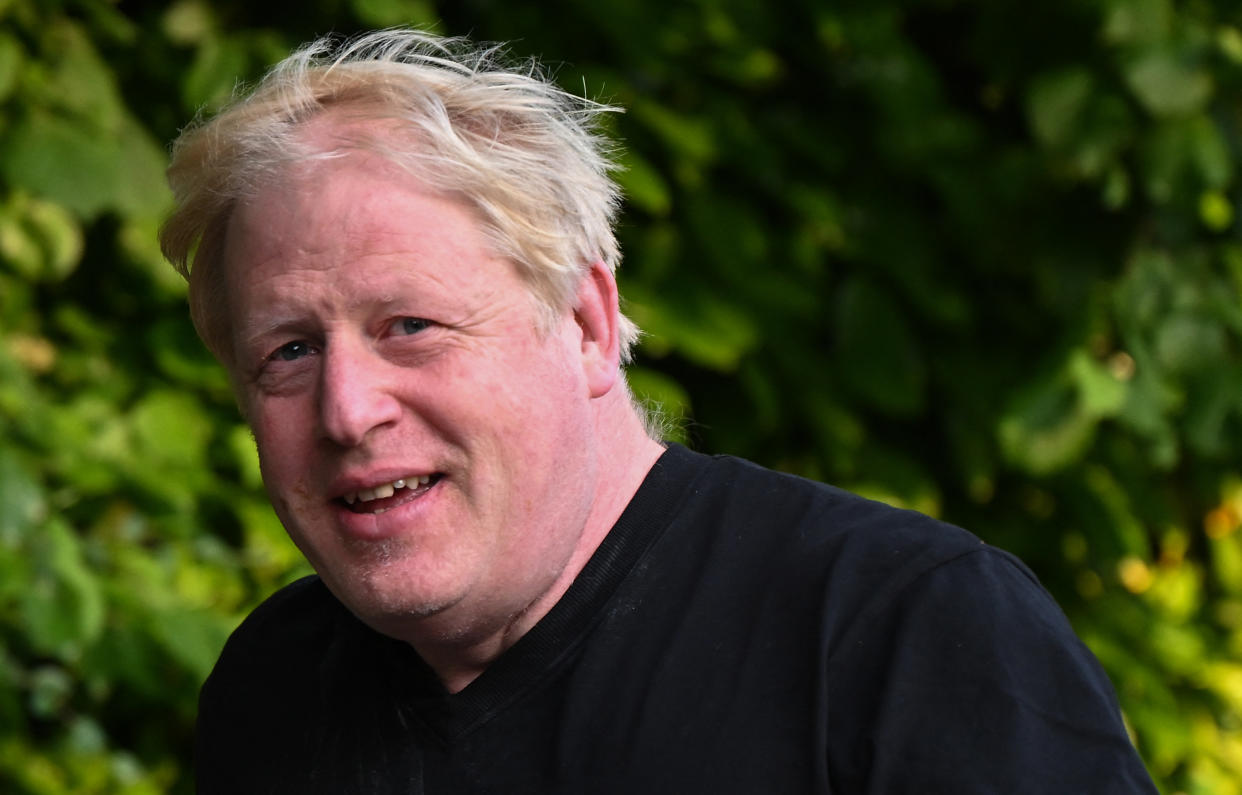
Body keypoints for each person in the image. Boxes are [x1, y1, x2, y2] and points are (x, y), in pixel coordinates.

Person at [160, 29, 1157, 794]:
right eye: (288, 351)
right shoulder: (276, 695)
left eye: (410, 324)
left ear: (589, 323)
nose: (347, 408)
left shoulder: (903, 639)